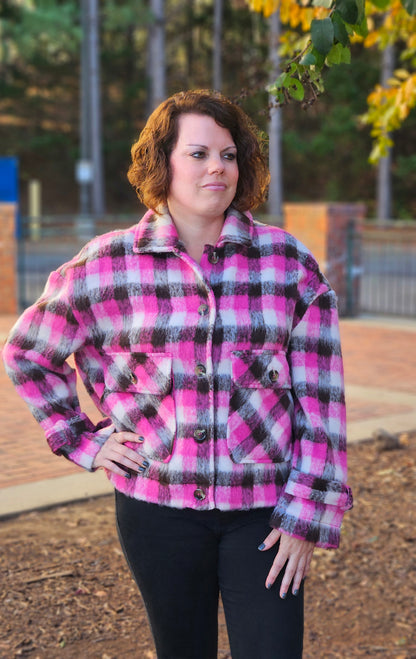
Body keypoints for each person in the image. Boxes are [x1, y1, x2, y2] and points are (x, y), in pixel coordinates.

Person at [3, 89, 352, 659]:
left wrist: (308, 513)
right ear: (161, 163)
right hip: (155, 512)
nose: (218, 166)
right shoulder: (105, 265)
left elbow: (322, 402)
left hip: (264, 514)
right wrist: (82, 440)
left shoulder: (288, 265)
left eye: (230, 154)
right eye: (198, 153)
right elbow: (27, 352)